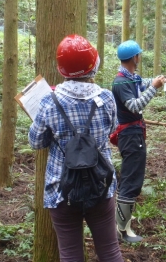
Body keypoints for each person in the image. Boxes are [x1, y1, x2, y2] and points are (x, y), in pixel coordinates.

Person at [29, 34, 123, 262]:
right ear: (93, 66)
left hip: (61, 189)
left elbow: (36, 142)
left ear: (62, 69)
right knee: (110, 250)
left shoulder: (49, 101)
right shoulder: (107, 98)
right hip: (100, 184)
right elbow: (113, 127)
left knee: (70, 254)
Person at [111, 40, 166, 243]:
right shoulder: (120, 82)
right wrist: (154, 88)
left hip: (134, 134)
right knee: (131, 180)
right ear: (134, 58)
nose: (140, 58)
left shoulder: (130, 77)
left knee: (130, 177)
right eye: (139, 55)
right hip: (130, 136)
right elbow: (135, 106)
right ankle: (123, 230)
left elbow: (141, 82)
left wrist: (159, 79)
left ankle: (123, 218)